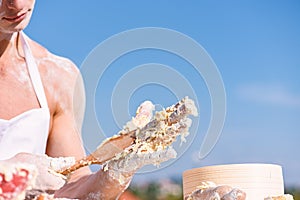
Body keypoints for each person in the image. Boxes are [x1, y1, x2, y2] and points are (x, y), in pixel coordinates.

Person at [0, 0, 136, 199]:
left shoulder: (57, 76)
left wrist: (110, 177)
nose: (17, 4)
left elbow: (70, 187)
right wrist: (7, 179)